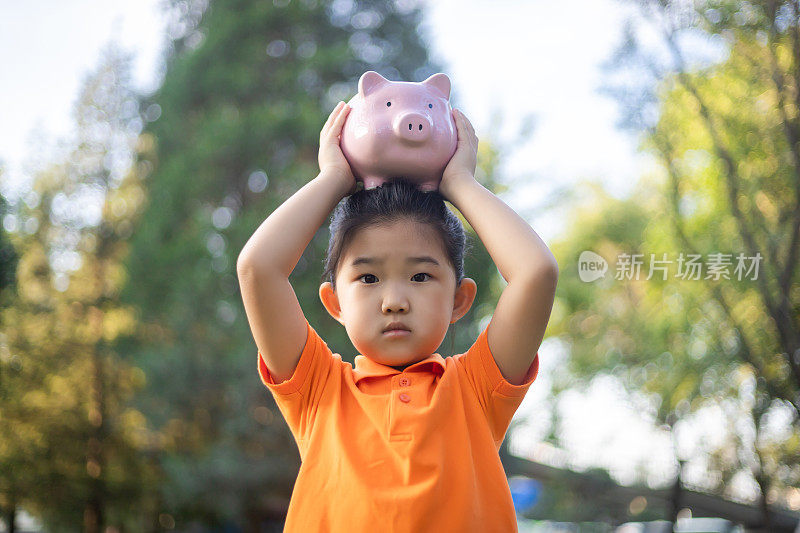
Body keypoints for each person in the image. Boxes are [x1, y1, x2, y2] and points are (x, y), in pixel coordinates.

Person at [237, 100, 559, 532]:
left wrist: (460, 183)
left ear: (459, 301)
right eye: (368, 278)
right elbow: (258, 269)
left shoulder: (477, 389)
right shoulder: (319, 390)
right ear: (335, 303)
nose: (394, 300)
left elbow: (536, 272)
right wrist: (333, 179)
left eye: (421, 275)